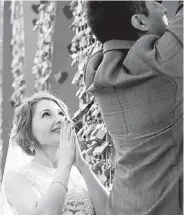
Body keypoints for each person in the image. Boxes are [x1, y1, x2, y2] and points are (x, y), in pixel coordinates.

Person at [85, 1, 183, 215]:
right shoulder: (158, 64)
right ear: (139, 21)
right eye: (157, 3)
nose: (165, 8)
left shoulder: (96, 72)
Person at [0, 91, 109, 215]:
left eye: (61, 113)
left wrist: (82, 164)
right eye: (46, 114)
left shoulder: (78, 173)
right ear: (28, 131)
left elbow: (110, 211)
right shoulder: (16, 177)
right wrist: (65, 165)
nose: (59, 120)